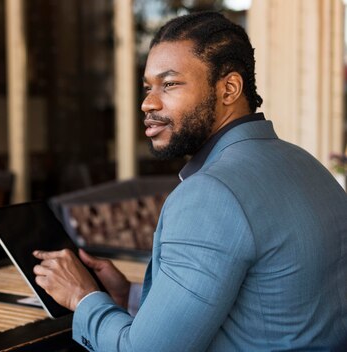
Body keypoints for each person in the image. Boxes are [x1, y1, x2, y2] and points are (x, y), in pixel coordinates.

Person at [33, 12, 347, 351]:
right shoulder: (308, 165)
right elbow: (264, 305)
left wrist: (85, 298)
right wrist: (128, 297)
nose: (148, 103)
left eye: (169, 84)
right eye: (148, 87)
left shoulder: (210, 194)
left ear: (229, 88)